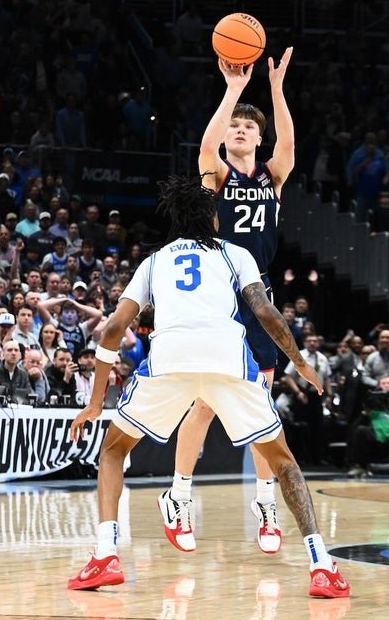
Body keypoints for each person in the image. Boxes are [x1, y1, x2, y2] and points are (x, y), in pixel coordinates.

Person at [66, 175, 349, 597]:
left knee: (112, 451)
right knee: (283, 461)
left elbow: (111, 330)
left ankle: (106, 555)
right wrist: (301, 362)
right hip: (227, 360)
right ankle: (321, 564)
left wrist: (94, 403)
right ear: (213, 220)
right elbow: (266, 313)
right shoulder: (236, 254)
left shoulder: (154, 262)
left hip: (170, 362)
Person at [164, 47, 298, 555]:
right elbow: (205, 145)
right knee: (204, 404)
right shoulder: (216, 176)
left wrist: (277, 90)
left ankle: (265, 503)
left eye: (248, 127)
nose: (240, 131)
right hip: (219, 300)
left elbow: (288, 142)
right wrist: (234, 88)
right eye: (234, 127)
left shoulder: (273, 176)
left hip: (259, 298)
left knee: (261, 409)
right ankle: (179, 494)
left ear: (259, 139)